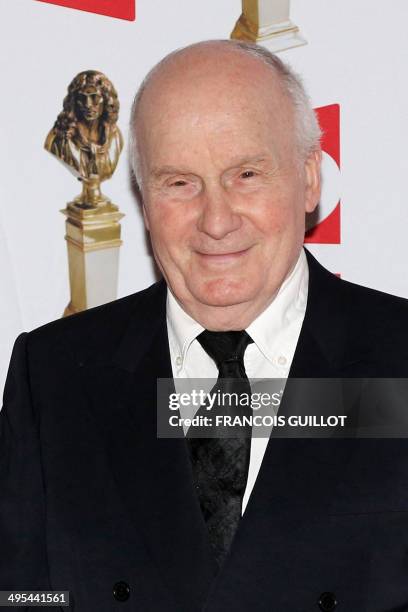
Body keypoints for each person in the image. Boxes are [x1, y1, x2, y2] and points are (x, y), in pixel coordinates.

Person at [2, 40, 408, 612]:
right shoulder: (55, 378)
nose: (216, 221)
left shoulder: (399, 359)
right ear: (144, 200)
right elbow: (21, 594)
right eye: (179, 182)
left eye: (246, 174)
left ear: (311, 179)